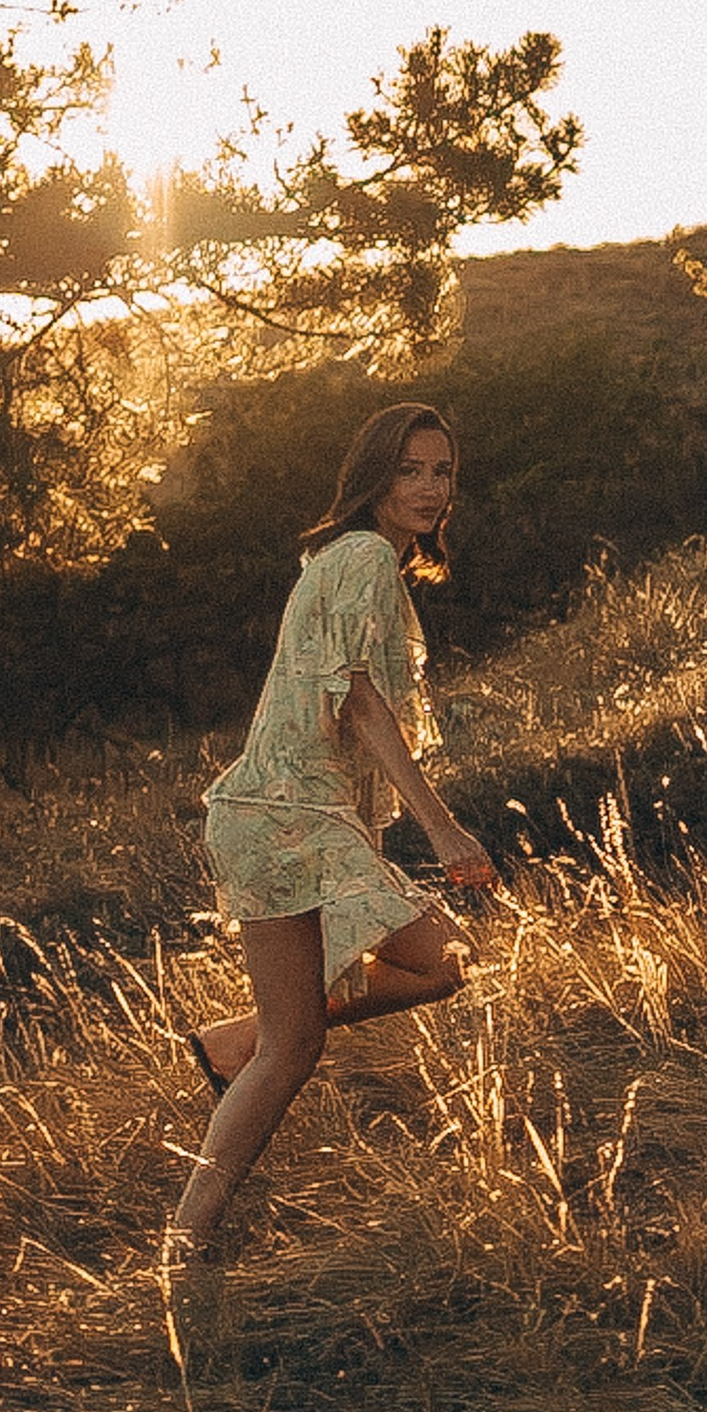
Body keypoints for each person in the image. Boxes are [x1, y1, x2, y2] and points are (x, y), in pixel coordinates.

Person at [165, 400, 496, 1260]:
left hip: (285, 811)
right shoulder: (362, 559)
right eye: (411, 470)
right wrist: (445, 830)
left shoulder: (349, 559)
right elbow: (357, 699)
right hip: (285, 813)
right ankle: (183, 1241)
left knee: (294, 1040)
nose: (430, 489)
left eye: (443, 472)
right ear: (374, 477)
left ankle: (228, 1065)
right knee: (431, 964)